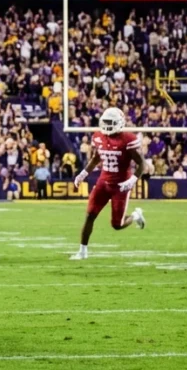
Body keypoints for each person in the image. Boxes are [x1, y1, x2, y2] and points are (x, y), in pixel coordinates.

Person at [71, 108, 148, 261]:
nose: (107, 125)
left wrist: (131, 181)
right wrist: (83, 174)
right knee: (90, 216)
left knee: (117, 225)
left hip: (120, 186)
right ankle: (82, 251)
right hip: (103, 183)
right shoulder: (98, 137)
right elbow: (95, 158)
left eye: (110, 123)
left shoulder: (128, 139)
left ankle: (135, 215)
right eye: (105, 122)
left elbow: (141, 164)